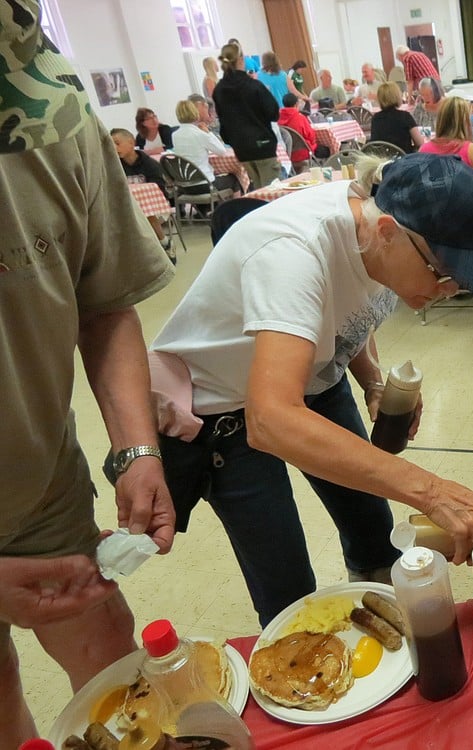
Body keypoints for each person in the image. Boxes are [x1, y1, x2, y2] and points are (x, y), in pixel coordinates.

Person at [149, 153, 473, 626]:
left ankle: (385, 632)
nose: (449, 290)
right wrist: (432, 492)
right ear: (388, 232)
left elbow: (350, 308)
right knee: (286, 581)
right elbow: (270, 420)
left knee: (372, 528)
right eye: (443, 274)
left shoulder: (375, 235)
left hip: (314, 378)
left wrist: (372, 379)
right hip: (228, 410)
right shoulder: (292, 253)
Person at [1, 7, 176, 744]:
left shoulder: (50, 94)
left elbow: (102, 304)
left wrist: (136, 449)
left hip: (42, 490)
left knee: (117, 685)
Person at [212, 42, 281, 190]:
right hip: (262, 145)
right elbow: (274, 113)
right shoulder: (253, 86)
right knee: (272, 190)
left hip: (241, 148)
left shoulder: (219, 90)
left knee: (257, 189)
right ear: (241, 60)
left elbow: (222, 121)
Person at [109, 128, 175, 258]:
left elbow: (160, 190)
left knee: (145, 212)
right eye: (111, 145)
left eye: (117, 143)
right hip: (128, 206)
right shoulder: (115, 166)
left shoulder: (149, 164)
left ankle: (164, 242)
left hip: (156, 207)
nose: (115, 148)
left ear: (131, 143)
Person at [419, 96, 473, 185]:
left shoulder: (423, 149)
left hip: (436, 198)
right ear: (465, 121)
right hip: (465, 197)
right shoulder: (470, 149)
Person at [371, 82, 424, 154]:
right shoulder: (405, 116)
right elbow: (419, 142)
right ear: (397, 96)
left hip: (382, 160)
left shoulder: (375, 119)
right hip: (404, 160)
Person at [277, 93, 323, 173]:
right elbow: (311, 137)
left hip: (286, 154)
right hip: (302, 152)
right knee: (325, 150)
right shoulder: (300, 118)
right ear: (296, 104)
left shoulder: (277, 118)